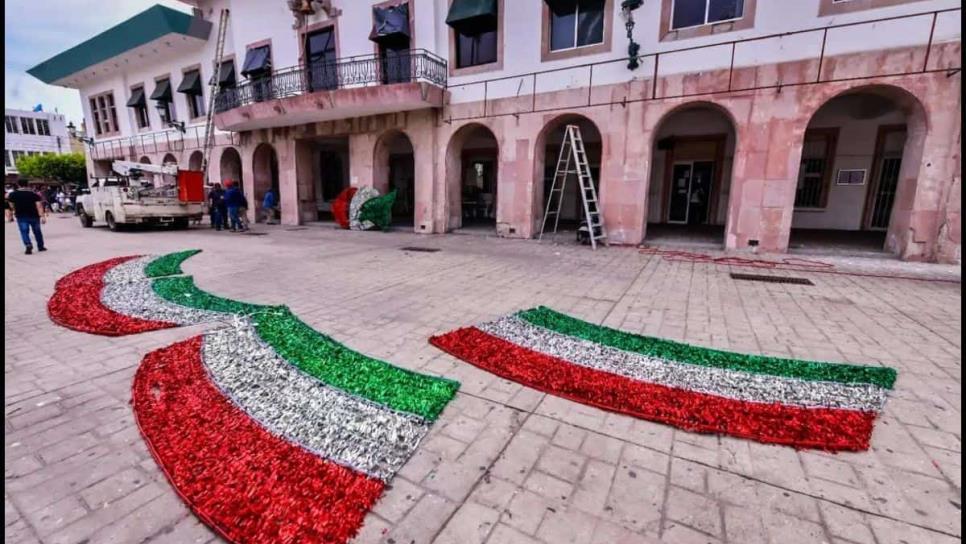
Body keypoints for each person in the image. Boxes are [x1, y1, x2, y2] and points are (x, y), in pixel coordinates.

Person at [7, 179, 47, 254]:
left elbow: (11, 205)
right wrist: (42, 216)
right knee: (37, 231)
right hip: (34, 215)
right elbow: (39, 206)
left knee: (24, 231)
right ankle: (40, 246)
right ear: (27, 184)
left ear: (18, 185)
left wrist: (14, 210)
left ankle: (28, 244)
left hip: (21, 215)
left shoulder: (13, 194)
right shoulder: (34, 194)